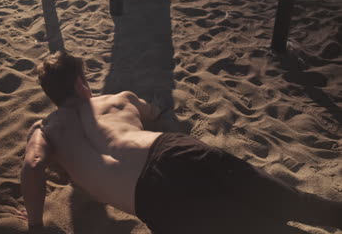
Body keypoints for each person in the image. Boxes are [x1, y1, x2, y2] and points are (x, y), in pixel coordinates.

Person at [19, 51, 341, 233]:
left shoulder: (46, 130)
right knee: (289, 200)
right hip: (174, 150)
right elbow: (155, 111)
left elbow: (33, 166)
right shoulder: (118, 99)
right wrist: (153, 109)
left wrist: (35, 225)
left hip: (152, 197)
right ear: (80, 83)